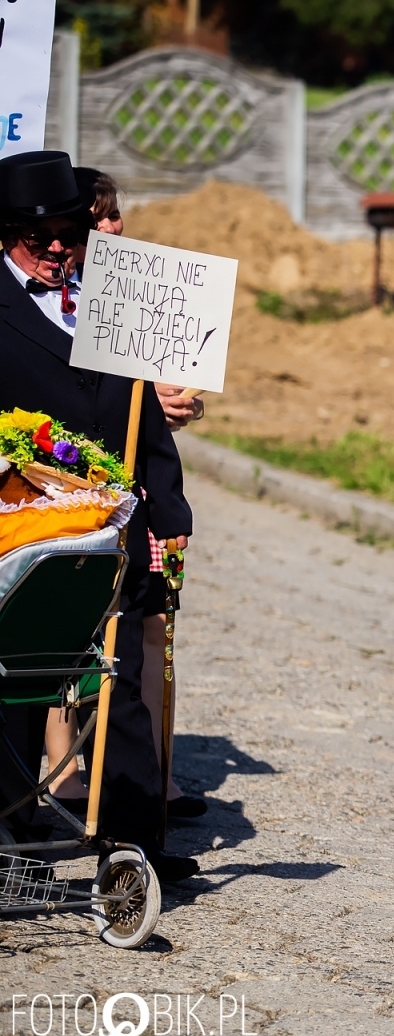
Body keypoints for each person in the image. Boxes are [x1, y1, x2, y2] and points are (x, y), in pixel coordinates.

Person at [0, 150, 198, 883]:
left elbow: (145, 411)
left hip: (117, 528)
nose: (57, 247)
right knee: (19, 681)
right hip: (23, 529)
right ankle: (15, 842)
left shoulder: (117, 298)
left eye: (69, 233)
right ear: (6, 232)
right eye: (36, 234)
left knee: (120, 678)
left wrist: (167, 501)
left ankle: (132, 842)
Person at [42, 168, 207, 819]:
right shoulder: (58, 301)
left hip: (140, 501)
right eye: (97, 217)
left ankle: (150, 786)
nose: (112, 227)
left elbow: (158, 403)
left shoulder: (136, 295)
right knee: (66, 637)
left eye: (115, 215)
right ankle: (61, 774)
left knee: (148, 631)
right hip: (69, 496)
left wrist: (170, 403)